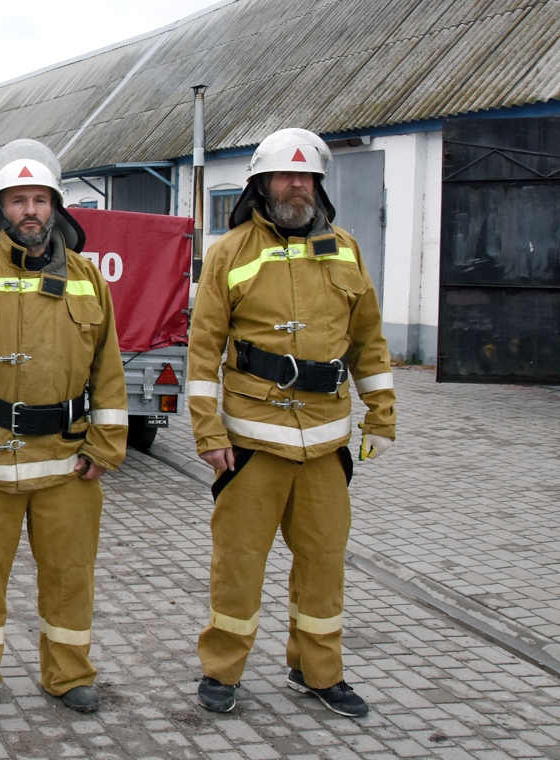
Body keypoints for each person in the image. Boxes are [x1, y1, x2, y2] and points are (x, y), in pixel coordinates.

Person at [187, 128, 397, 717]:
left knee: (324, 565)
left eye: (306, 178)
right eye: (286, 176)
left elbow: (369, 343)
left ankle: (318, 671)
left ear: (318, 185)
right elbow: (202, 351)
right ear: (261, 184)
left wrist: (381, 414)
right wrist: (209, 433)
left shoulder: (347, 250)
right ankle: (222, 671)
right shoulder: (230, 252)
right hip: (250, 445)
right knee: (238, 565)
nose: (297, 187)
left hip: (326, 446)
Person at [0, 138, 128, 714]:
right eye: (18, 201)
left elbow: (107, 370)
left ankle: (68, 675)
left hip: (68, 461)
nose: (31, 211)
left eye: (40, 199)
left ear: (57, 207)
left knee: (70, 575)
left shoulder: (89, 279)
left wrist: (107, 444)